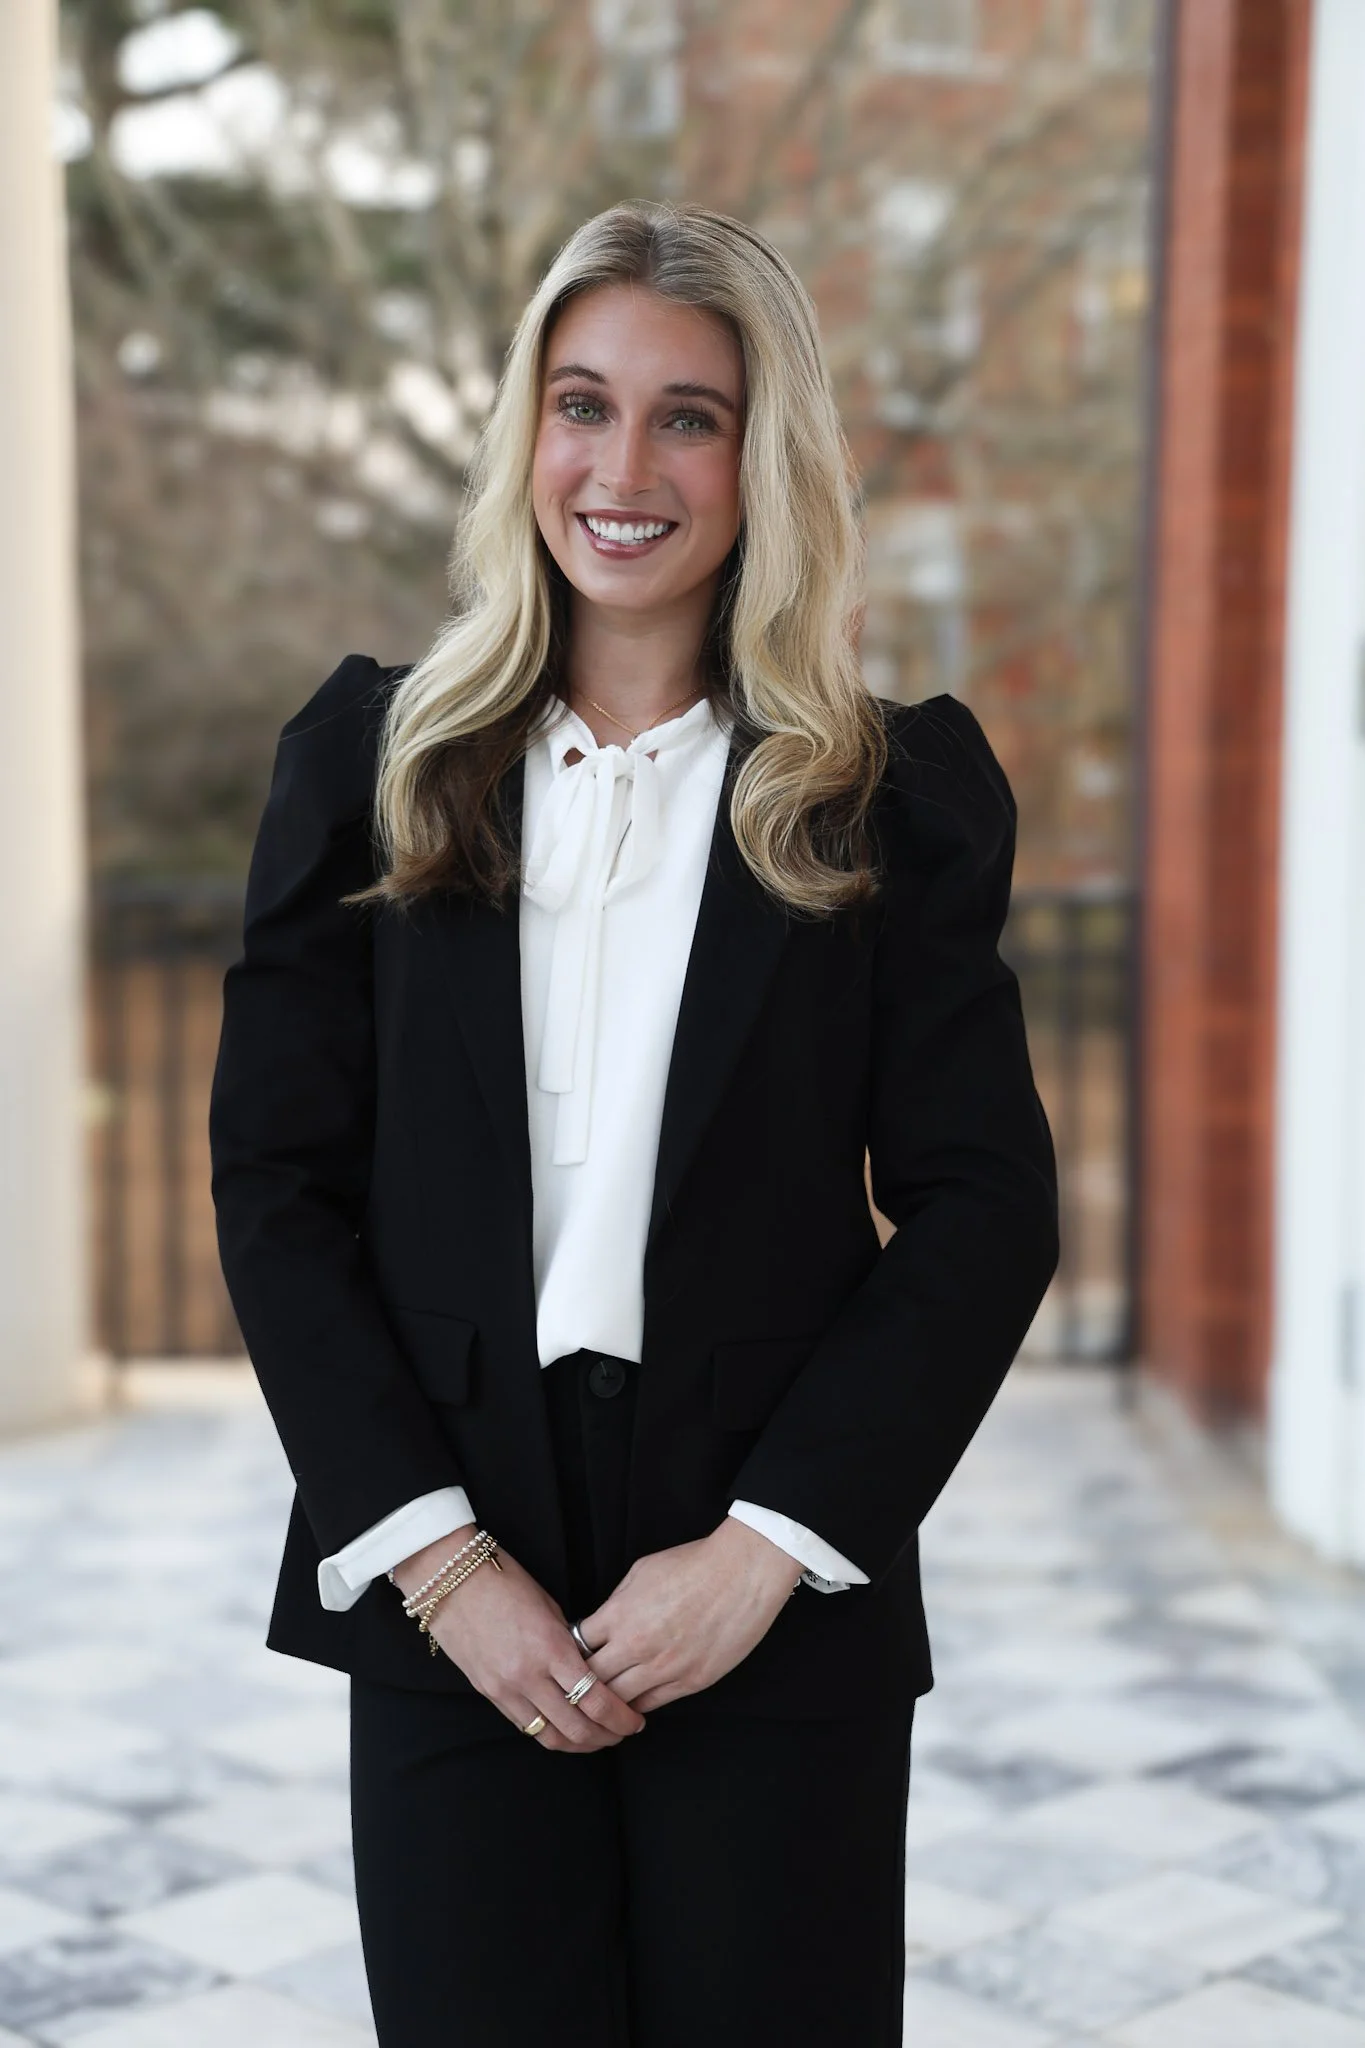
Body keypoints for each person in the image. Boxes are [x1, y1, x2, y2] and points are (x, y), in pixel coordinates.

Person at [209, 201, 1058, 2048]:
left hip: (767, 1566)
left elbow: (987, 1206)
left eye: (692, 417)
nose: (623, 468)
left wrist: (764, 1550)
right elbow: (276, 1189)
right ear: (527, 430)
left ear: (767, 458)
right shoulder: (371, 767)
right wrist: (437, 1564)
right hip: (450, 1563)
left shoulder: (885, 795)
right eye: (582, 404)